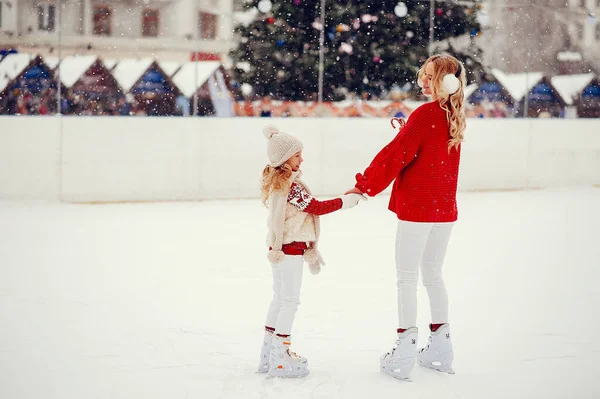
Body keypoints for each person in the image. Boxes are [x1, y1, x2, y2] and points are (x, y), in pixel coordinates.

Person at [345, 54, 466, 381]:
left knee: (407, 279)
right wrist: (408, 130)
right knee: (433, 276)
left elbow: (395, 156)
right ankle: (441, 346)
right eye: (423, 75)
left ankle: (404, 350)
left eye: (431, 77)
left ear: (447, 81)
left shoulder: (426, 114)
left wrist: (364, 186)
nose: (422, 82)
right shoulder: (454, 114)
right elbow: (427, 150)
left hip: (418, 210)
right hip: (444, 211)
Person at [258, 125, 365, 378]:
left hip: (281, 251)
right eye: (297, 155)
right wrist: (345, 202)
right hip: (290, 252)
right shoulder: (291, 187)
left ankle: (269, 354)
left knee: (279, 299)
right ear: (285, 159)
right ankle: (280, 358)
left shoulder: (283, 183)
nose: (301, 158)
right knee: (289, 301)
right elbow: (315, 207)